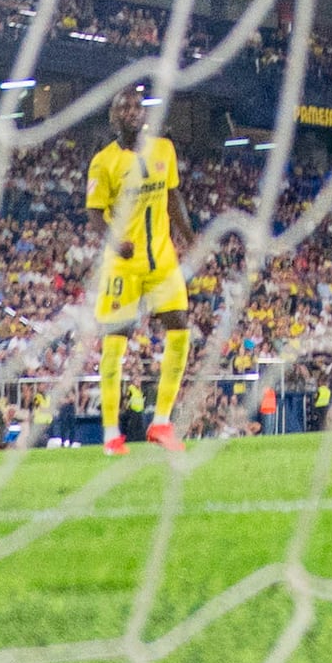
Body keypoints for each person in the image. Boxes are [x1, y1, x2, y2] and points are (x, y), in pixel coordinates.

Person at [84, 77, 195, 455]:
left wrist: (190, 236)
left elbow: (173, 196)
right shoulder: (103, 163)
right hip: (124, 266)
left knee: (180, 328)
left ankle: (161, 422)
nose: (131, 113)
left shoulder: (164, 149)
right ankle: (111, 432)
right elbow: (95, 215)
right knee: (115, 341)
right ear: (113, 117)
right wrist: (116, 241)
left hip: (161, 259)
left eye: (136, 107)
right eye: (124, 108)